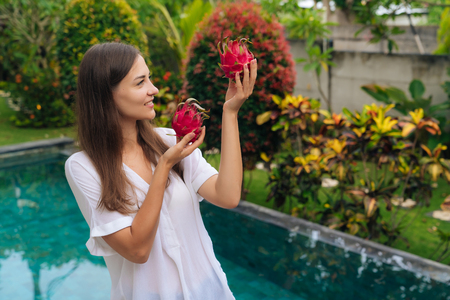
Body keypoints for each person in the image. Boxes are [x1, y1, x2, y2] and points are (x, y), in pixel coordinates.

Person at [64, 42, 257, 300]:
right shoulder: (83, 167)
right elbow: (137, 250)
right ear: (106, 94)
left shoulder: (168, 139)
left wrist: (230, 112)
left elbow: (228, 196)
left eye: (150, 79)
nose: (153, 90)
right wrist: (164, 166)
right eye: (140, 82)